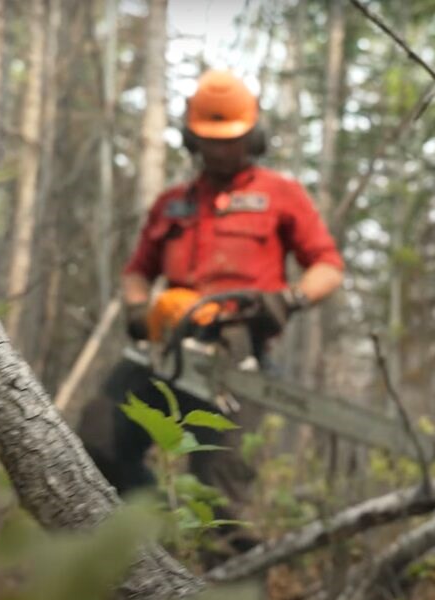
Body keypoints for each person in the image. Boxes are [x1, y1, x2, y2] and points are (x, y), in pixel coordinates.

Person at [77, 70, 343, 553]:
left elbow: (328, 265)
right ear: (192, 138)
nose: (221, 151)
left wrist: (289, 299)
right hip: (168, 347)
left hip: (237, 355)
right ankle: (159, 543)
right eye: (211, 141)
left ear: (254, 137)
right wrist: (140, 308)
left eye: (233, 141)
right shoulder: (171, 205)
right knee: (98, 437)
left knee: (221, 494)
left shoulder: (281, 194)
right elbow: (137, 271)